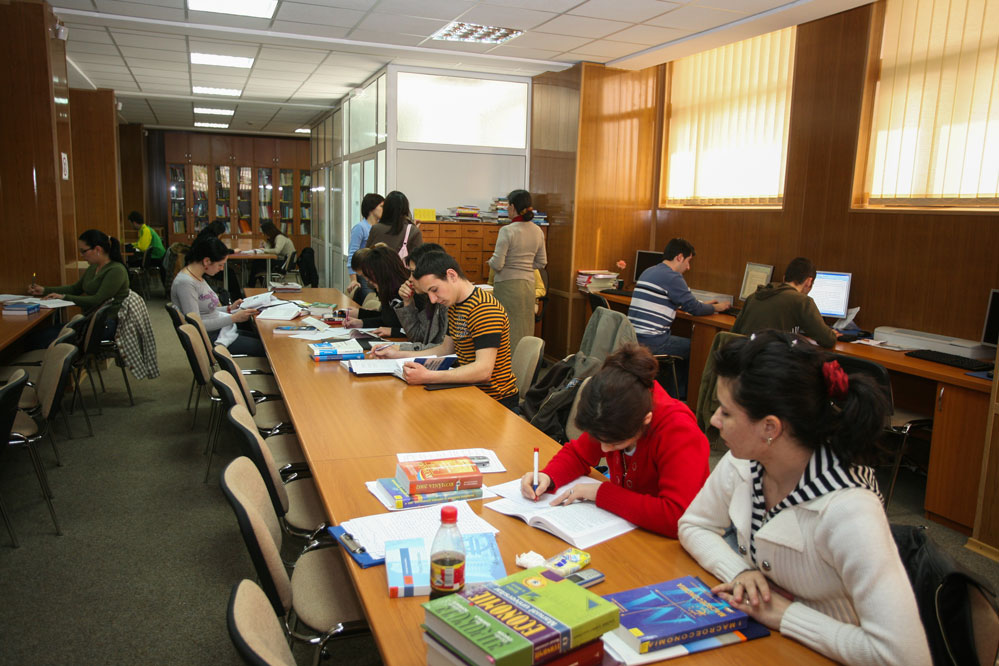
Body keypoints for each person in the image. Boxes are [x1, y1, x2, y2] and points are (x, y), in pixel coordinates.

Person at [677, 330, 930, 665]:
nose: (714, 420)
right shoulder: (745, 461)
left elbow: (905, 657)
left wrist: (787, 616)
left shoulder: (849, 510)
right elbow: (693, 525)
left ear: (770, 428)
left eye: (726, 412)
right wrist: (738, 572)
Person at [518, 343, 709, 537]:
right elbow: (579, 453)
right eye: (600, 440)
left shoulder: (678, 431)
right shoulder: (614, 406)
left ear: (646, 420)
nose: (604, 449)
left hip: (668, 543)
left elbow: (676, 516)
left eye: (615, 444)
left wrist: (600, 492)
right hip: (630, 528)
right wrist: (549, 477)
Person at [372, 251, 519, 410]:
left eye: (434, 290)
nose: (433, 299)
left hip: (495, 401)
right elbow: (445, 349)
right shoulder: (455, 305)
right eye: (428, 292)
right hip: (469, 391)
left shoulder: (483, 308)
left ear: (452, 275)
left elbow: (483, 371)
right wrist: (396, 353)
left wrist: (429, 376)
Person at [627, 238, 730, 399]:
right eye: (689, 261)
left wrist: (701, 304)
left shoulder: (649, 271)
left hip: (634, 338)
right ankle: (682, 398)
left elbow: (683, 303)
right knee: (696, 348)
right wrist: (717, 307)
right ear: (680, 257)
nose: (688, 267)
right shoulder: (673, 277)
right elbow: (694, 309)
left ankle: (671, 394)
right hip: (653, 342)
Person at [28, 229, 129, 342]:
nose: (81, 255)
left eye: (83, 251)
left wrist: (64, 297)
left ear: (97, 249)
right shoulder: (93, 267)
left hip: (105, 325)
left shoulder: (116, 270)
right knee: (36, 336)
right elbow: (75, 289)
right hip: (90, 321)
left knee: (38, 339)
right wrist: (44, 290)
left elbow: (97, 300)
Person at [170, 236, 263, 356]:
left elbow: (206, 310)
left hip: (219, 331)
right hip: (211, 338)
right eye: (220, 265)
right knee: (266, 347)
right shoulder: (186, 283)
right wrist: (233, 318)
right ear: (207, 261)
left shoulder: (197, 276)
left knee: (263, 339)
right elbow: (196, 324)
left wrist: (229, 309)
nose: (222, 269)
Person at [487, 189, 547, 354]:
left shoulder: (507, 231)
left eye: (507, 205)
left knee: (506, 332)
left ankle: (506, 373)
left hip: (507, 287)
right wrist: (525, 268)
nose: (507, 209)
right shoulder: (537, 231)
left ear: (513, 207)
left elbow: (498, 264)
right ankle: (524, 370)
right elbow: (542, 262)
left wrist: (490, 262)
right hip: (528, 287)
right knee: (524, 331)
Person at [732, 257, 839, 348]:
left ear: (784, 278)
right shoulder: (802, 301)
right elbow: (828, 340)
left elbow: (734, 332)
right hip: (771, 364)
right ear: (808, 281)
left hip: (744, 361)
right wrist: (831, 334)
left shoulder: (754, 296)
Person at [343, 245, 409, 337]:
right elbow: (387, 319)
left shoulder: (407, 291)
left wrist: (394, 331)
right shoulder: (387, 289)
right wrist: (362, 322)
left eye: (369, 276)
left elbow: (420, 331)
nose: (368, 280)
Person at [393, 242, 448, 350]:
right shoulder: (431, 299)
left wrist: (400, 349)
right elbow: (418, 336)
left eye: (414, 273)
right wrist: (407, 302)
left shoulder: (448, 302)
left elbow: (444, 349)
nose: (410, 279)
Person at [347, 193, 384, 303]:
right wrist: (353, 280)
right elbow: (352, 254)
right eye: (381, 206)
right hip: (364, 274)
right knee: (368, 302)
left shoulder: (380, 227)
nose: (384, 209)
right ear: (372, 208)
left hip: (378, 273)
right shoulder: (360, 227)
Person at [366, 190, 423, 259]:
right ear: (405, 208)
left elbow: (367, 252)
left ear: (386, 208)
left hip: (376, 268)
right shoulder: (413, 231)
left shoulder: (375, 228)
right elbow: (418, 259)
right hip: (401, 269)